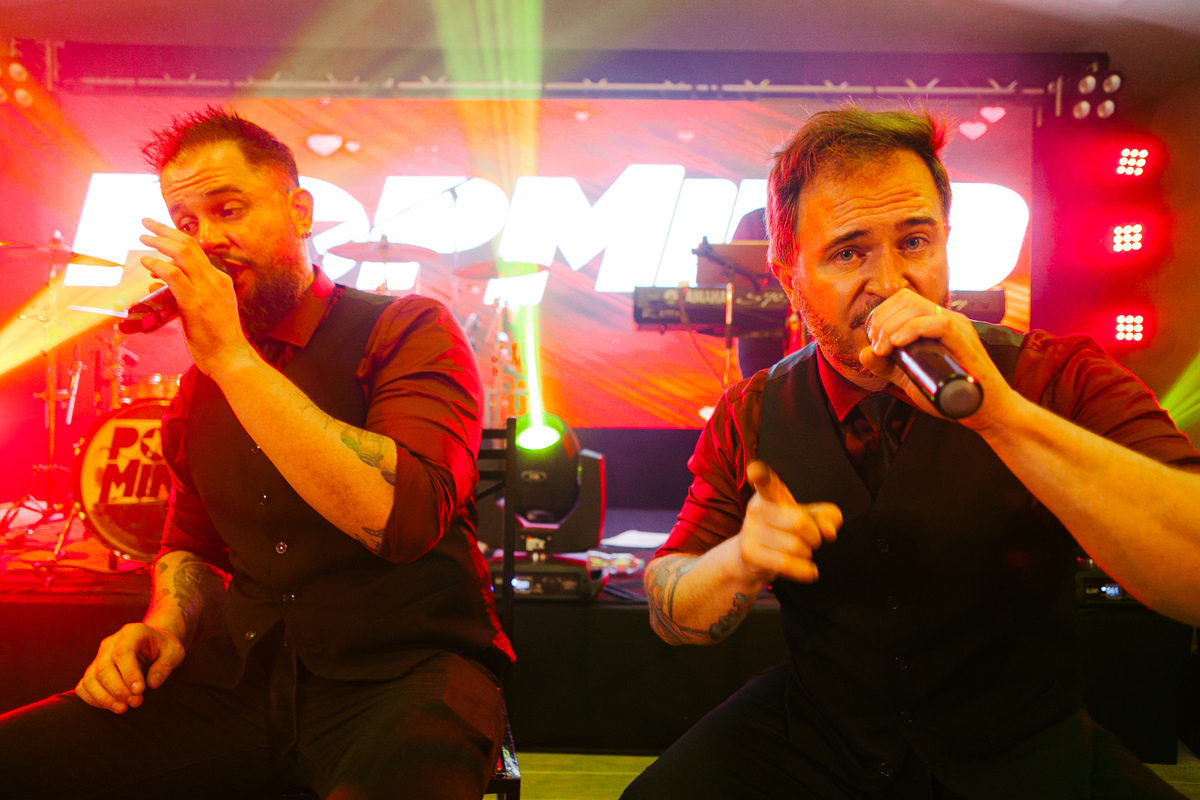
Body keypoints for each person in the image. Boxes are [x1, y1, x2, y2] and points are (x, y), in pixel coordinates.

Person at [623, 107, 1200, 799]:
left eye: (915, 241)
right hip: (822, 738)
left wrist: (1002, 417)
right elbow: (671, 611)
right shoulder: (751, 412)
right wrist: (738, 560)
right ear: (788, 274)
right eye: (848, 253)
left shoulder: (1058, 376)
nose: (892, 282)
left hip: (1020, 746)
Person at [0, 108, 513, 800]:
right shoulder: (199, 386)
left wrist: (233, 360)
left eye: (229, 209)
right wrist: (164, 626)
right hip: (242, 681)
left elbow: (402, 520)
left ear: (300, 212)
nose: (207, 239)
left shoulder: (408, 330)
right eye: (186, 223)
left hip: (405, 677)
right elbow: (193, 544)